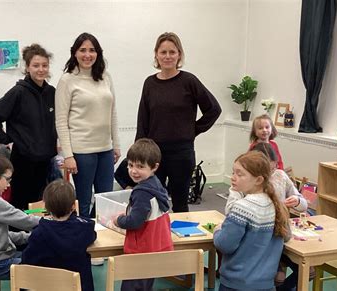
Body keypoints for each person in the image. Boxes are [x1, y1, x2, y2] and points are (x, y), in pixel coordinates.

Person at [135, 32, 222, 212]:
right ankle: (156, 238)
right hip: (154, 153)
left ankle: (179, 240)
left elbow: (213, 109)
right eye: (163, 52)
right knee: (153, 201)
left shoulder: (189, 81)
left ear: (179, 55)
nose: (167, 56)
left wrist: (192, 130)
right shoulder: (149, 83)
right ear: (156, 55)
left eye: (172, 52)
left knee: (180, 203)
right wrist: (139, 150)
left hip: (181, 153)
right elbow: (143, 118)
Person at [0, 43, 57, 211]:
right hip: (23, 160)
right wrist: (6, 139)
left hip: (45, 160)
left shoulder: (51, 93)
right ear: (27, 67)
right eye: (36, 65)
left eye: (44, 65)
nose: (41, 69)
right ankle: (18, 237)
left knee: (41, 205)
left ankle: (35, 236)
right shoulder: (18, 92)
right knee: (21, 203)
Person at [55, 32, 120, 218]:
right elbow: (61, 121)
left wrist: (116, 145)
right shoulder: (67, 80)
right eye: (82, 50)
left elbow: (112, 112)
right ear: (74, 53)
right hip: (81, 152)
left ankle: (100, 239)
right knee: (84, 202)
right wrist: (68, 155)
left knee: (105, 200)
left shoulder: (105, 77)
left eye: (92, 50)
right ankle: (84, 241)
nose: (87, 55)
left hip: (105, 150)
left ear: (98, 53)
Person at [214, 151, 290, 291]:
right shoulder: (277, 205)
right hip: (266, 284)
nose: (233, 178)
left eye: (240, 174)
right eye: (233, 172)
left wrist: (218, 230)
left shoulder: (241, 208)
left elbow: (225, 245)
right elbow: (287, 236)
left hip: (237, 284)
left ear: (258, 180)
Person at [113, 138, 173, 291]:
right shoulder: (157, 185)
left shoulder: (141, 192)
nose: (133, 170)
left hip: (141, 252)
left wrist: (119, 220)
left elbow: (134, 222)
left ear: (154, 167)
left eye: (140, 166)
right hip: (155, 247)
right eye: (130, 165)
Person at [22, 179, 97, 291]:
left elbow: (27, 263)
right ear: (73, 206)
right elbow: (92, 232)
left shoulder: (39, 233)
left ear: (46, 208)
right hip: (78, 287)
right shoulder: (84, 228)